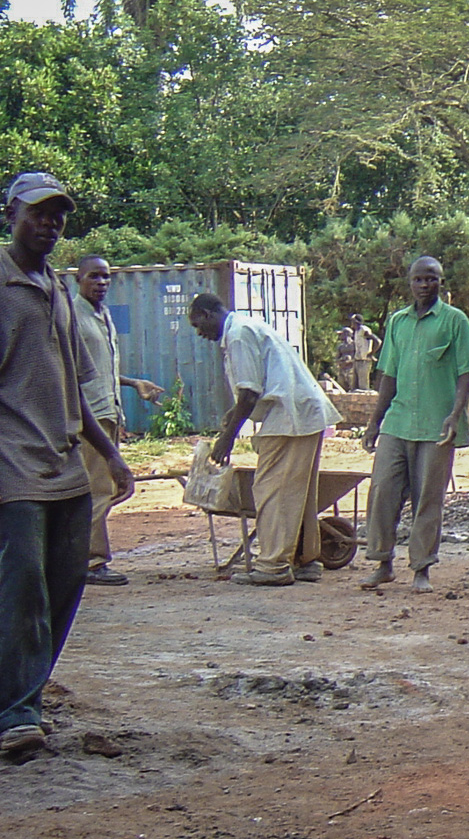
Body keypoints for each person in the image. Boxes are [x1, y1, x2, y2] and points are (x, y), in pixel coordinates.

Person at [2, 173, 135, 758]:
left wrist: (109, 453)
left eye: (57, 216)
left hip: (65, 462)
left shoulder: (57, 287)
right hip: (12, 464)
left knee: (67, 580)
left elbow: (70, 381)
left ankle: (20, 695)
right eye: (37, 214)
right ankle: (17, 713)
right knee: (22, 584)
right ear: (10, 214)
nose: (49, 224)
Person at [187, 292, 341, 586]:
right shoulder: (248, 326)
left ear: (208, 314)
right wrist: (233, 416)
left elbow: (249, 393)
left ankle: (273, 566)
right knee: (299, 491)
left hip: (289, 416)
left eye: (197, 324)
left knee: (272, 490)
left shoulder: (238, 335)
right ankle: (304, 559)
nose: (199, 333)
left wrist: (226, 439)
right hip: (302, 412)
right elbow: (260, 383)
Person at [359, 256, 469, 594]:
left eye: (432, 279)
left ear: (441, 282)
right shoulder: (397, 322)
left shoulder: (455, 322)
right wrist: (374, 423)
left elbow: (466, 372)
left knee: (428, 499)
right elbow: (388, 375)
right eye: (419, 279)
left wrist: (454, 415)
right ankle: (382, 563)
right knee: (382, 491)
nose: (425, 285)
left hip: (436, 427)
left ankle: (421, 570)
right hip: (397, 422)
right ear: (409, 282)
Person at [71, 255, 165, 586]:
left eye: (106, 277)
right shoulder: (72, 317)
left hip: (108, 412)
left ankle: (79, 556)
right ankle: (89, 562)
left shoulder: (103, 315)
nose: (101, 283)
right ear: (78, 280)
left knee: (106, 488)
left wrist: (131, 383)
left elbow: (99, 368)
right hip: (89, 417)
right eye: (94, 277)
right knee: (98, 489)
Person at [345, 313, 380, 390]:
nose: (351, 323)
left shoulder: (364, 330)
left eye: (352, 321)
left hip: (364, 361)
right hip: (357, 360)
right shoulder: (356, 331)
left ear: (356, 322)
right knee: (354, 385)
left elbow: (377, 341)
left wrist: (371, 353)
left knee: (363, 386)